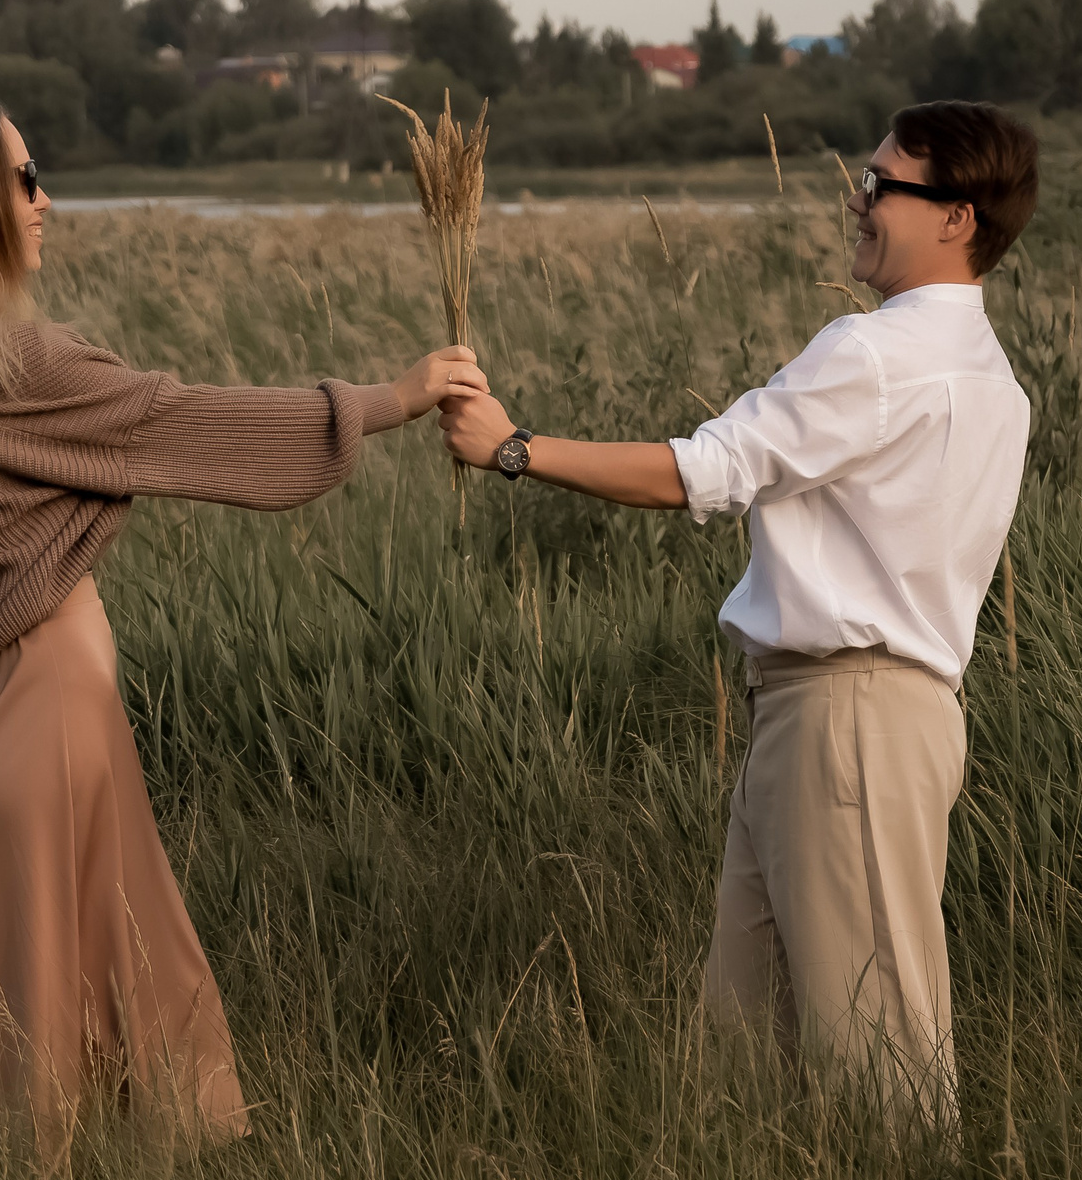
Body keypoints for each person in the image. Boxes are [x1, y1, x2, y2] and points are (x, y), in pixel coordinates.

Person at [0, 92, 485, 1157]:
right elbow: (183, 422)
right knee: (135, 983)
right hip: (57, 714)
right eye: (23, 180)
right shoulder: (16, 365)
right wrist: (389, 398)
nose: (43, 198)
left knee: (26, 1009)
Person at [436, 100, 1037, 1119]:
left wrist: (513, 448)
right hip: (847, 717)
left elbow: (705, 473)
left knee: (878, 1058)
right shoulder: (990, 378)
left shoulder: (880, 353)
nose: (860, 196)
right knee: (745, 1044)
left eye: (885, 184)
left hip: (849, 717)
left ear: (956, 218)